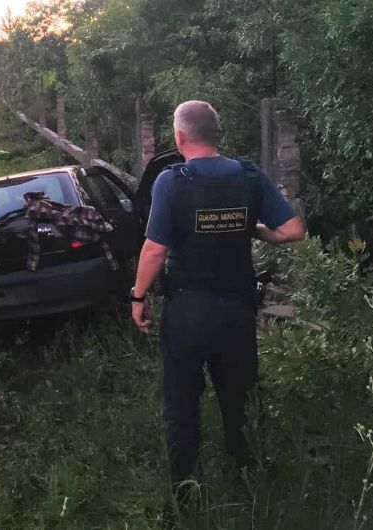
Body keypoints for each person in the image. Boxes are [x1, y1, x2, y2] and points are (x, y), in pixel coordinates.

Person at [130, 101, 305, 491]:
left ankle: (187, 493)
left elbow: (155, 250)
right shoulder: (248, 175)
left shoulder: (171, 181)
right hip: (238, 310)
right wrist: (252, 227)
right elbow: (293, 230)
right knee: (240, 399)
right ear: (215, 134)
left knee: (181, 405)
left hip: (187, 312)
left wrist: (138, 298)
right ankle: (250, 482)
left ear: (180, 137)